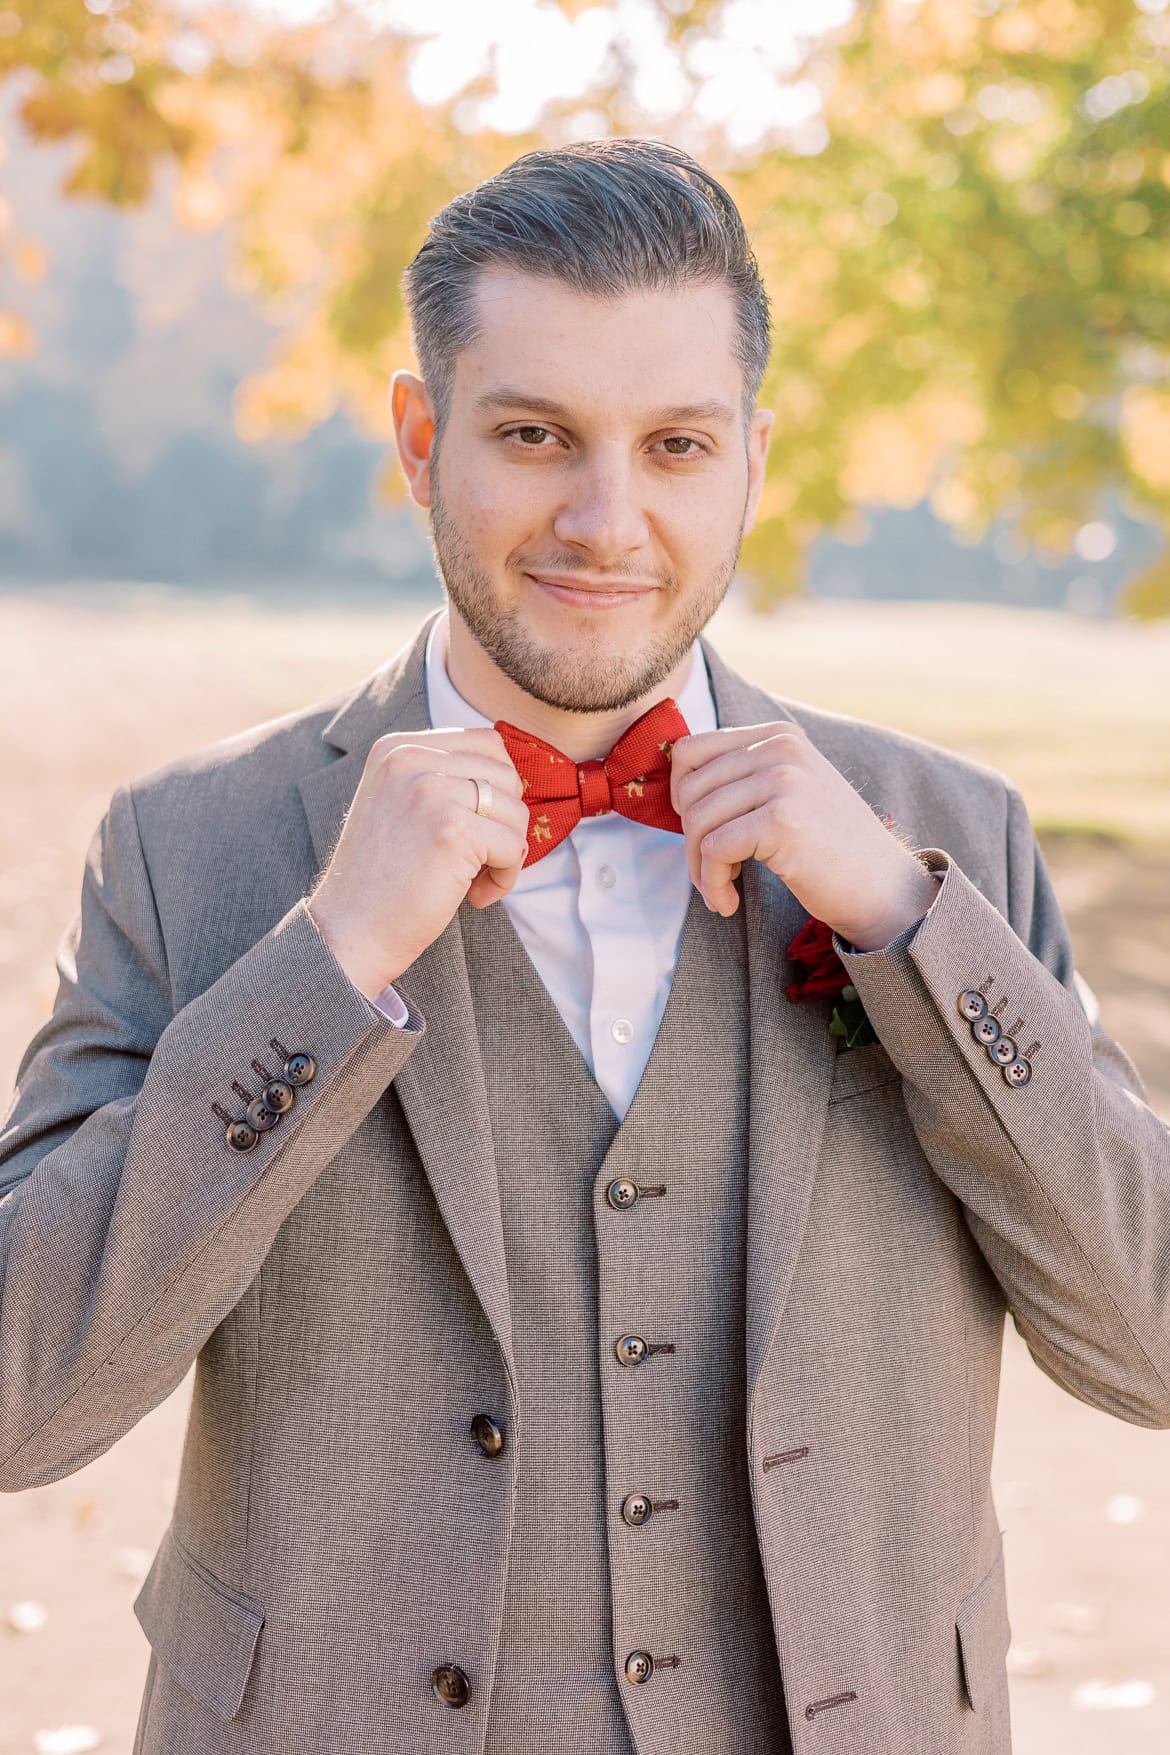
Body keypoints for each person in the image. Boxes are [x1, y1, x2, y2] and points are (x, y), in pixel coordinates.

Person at [1, 138, 1167, 1755]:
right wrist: (325, 959)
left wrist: (908, 930)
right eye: (534, 435)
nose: (605, 520)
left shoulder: (940, 835)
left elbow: (1146, 1342)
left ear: (753, 458)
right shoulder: (190, 848)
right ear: (420, 440)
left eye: (675, 445)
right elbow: (21, 1400)